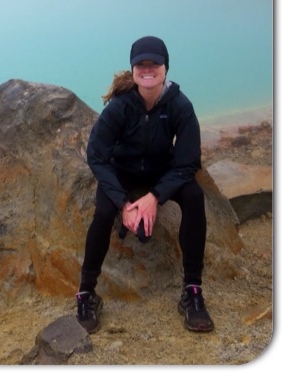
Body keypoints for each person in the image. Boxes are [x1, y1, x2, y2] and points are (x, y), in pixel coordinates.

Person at [75, 36, 213, 335]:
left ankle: (192, 290)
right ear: (133, 69)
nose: (148, 69)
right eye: (141, 64)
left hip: (160, 173)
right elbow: (97, 156)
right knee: (102, 213)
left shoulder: (179, 105)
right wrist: (123, 203)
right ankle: (86, 293)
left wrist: (155, 197)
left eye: (155, 63)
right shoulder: (120, 106)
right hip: (122, 173)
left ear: (165, 67)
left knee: (193, 195)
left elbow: (189, 162)